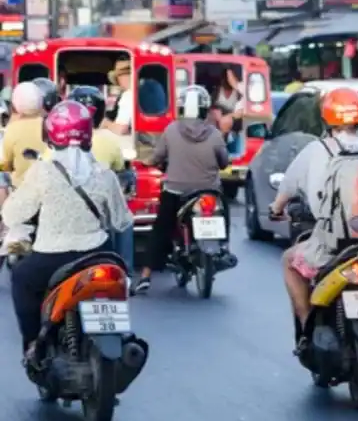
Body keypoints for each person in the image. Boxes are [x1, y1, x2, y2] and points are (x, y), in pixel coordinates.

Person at [3, 100, 132, 360]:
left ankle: (33, 347)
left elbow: (12, 214)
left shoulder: (42, 172)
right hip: (99, 254)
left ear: (51, 135)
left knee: (21, 279)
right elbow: (121, 221)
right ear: (87, 135)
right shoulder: (104, 174)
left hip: (52, 255)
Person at [268, 87, 358, 350]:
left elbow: (287, 189)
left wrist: (276, 209)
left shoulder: (316, 150)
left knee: (289, 261)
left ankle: (308, 327)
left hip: (328, 246)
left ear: (326, 118)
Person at [133, 85, 229, 294]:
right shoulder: (214, 134)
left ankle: (146, 276)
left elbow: (157, 157)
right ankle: (224, 248)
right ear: (204, 110)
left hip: (176, 192)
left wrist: (145, 161)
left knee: (160, 230)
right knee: (224, 211)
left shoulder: (171, 130)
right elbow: (224, 163)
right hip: (208, 192)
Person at [64, 86, 135, 277]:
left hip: (67, 203)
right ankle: (125, 271)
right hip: (100, 203)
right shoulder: (110, 141)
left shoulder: (61, 138)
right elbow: (121, 169)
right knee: (125, 222)